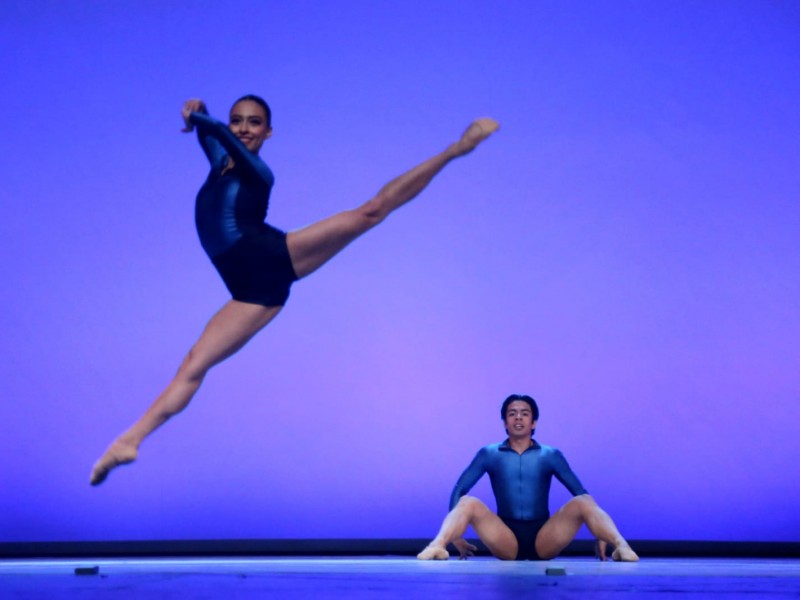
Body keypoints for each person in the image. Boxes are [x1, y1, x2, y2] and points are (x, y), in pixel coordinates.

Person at [89, 95, 499, 486]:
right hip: (250, 290)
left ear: (268, 132)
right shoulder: (220, 160)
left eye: (254, 123)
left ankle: (457, 149)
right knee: (194, 364)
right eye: (238, 120)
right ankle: (129, 441)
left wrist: (204, 120)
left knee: (370, 212)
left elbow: (217, 134)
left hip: (270, 257)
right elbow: (213, 137)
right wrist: (199, 114)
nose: (244, 129)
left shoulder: (258, 172)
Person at [417, 394, 639, 562]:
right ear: (505, 422)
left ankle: (620, 545)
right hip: (505, 537)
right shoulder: (489, 454)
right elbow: (460, 488)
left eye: (524, 413)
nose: (518, 418)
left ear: (534, 423)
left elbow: (581, 494)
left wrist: (600, 532)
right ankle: (438, 545)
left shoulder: (550, 455)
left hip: (544, 536)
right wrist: (455, 537)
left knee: (583, 502)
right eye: (512, 413)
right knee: (468, 502)